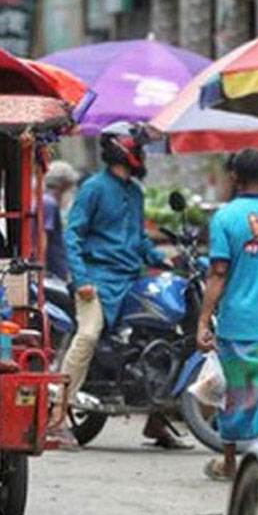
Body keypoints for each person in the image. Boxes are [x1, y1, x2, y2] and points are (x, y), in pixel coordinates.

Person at [51, 122, 184, 450]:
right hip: (97, 280)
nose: (142, 153)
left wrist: (164, 259)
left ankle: (155, 421)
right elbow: (73, 234)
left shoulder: (135, 192)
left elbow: (138, 238)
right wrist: (81, 280)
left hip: (131, 278)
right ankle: (56, 419)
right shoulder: (95, 187)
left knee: (163, 332)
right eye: (138, 147)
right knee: (88, 334)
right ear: (124, 149)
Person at [195, 149, 258, 481]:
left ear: (233, 177)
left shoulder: (225, 218)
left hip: (238, 322)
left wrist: (203, 321)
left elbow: (218, 273)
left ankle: (230, 465)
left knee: (237, 394)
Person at [42, 161, 76, 280]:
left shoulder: (47, 200)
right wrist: (41, 269)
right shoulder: (49, 203)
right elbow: (43, 237)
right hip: (53, 272)